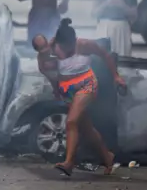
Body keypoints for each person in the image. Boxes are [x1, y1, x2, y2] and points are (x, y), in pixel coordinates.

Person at [32, 19, 125, 176]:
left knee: (71, 121)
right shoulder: (53, 48)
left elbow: (105, 55)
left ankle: (69, 163)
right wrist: (43, 55)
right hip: (68, 90)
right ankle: (107, 156)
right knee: (86, 129)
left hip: (87, 85)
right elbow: (45, 69)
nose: (67, 50)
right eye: (63, 47)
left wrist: (116, 76)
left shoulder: (83, 45)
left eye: (69, 46)